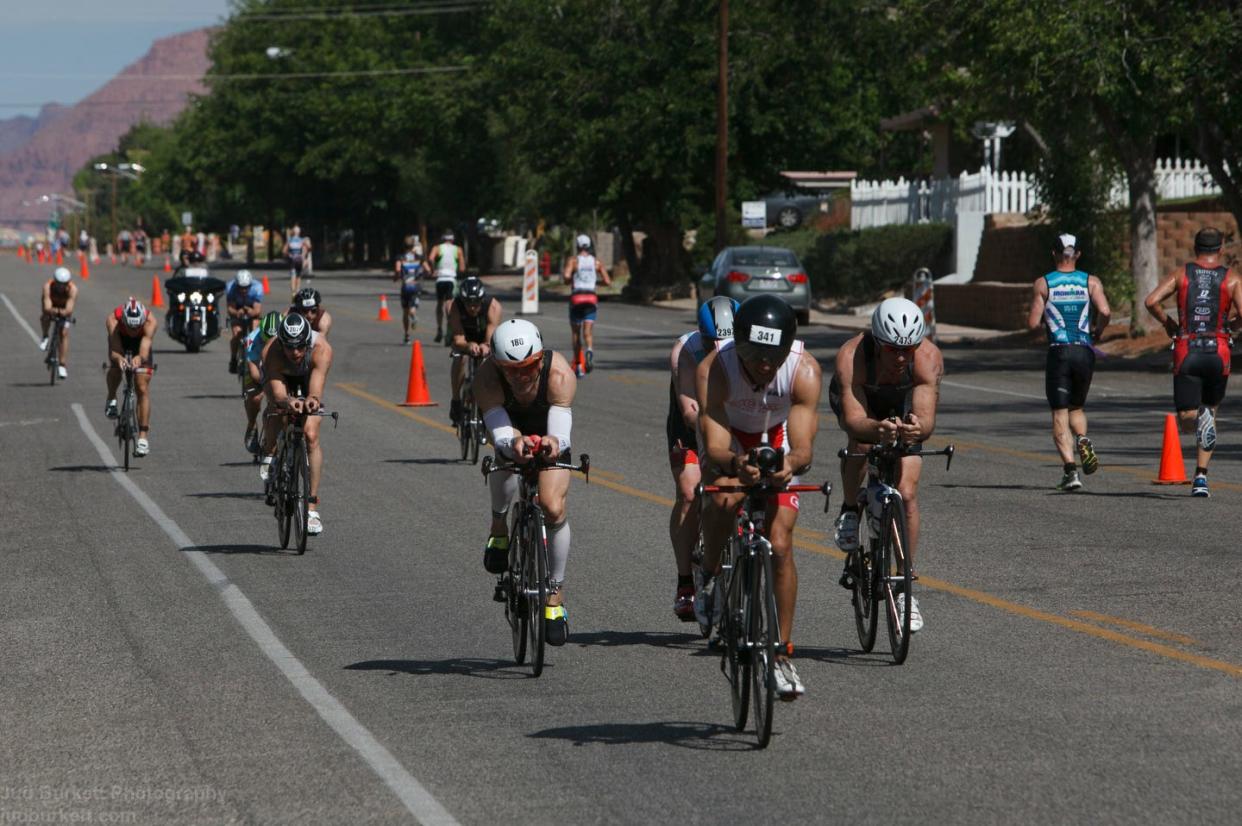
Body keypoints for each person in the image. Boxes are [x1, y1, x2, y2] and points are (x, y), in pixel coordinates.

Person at [697, 295, 822, 698]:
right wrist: (736, 465)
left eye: (774, 357)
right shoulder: (716, 367)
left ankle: (783, 654)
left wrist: (790, 466)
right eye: (754, 355)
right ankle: (711, 575)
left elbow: (803, 448)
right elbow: (714, 442)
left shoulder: (803, 370)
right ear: (739, 345)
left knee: (781, 545)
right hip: (731, 438)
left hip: (778, 438)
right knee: (723, 499)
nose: (765, 365)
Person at [830, 297, 944, 632]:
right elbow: (854, 419)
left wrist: (915, 430)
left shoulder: (927, 358)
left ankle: (906, 588)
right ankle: (850, 509)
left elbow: (926, 420)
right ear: (878, 343)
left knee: (906, 493)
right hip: (864, 399)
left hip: (904, 400)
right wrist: (876, 429)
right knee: (862, 444)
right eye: (892, 349)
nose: (900, 357)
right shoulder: (852, 357)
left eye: (907, 349)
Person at [474, 319, 578, 645]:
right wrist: (513, 443)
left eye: (529, 367)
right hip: (511, 426)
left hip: (548, 427)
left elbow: (560, 432)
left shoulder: (559, 375)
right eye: (511, 369)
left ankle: (555, 598)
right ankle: (498, 528)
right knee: (504, 460)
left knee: (552, 506)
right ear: (497, 364)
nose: (521, 376)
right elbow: (501, 431)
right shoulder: (486, 377)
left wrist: (551, 443)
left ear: (541, 359)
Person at [1143, 226, 1242, 497]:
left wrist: (1168, 322)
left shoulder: (1182, 273)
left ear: (1195, 248)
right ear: (1221, 249)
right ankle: (1201, 477)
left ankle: (1197, 420)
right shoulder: (1231, 278)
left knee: (1187, 416)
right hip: (1218, 350)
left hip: (1187, 349)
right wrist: (1232, 324)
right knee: (1210, 409)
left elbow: (1151, 300)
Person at [668, 296, 737, 622]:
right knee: (689, 492)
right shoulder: (688, 350)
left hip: (732, 418)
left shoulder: (746, 346)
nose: (718, 349)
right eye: (712, 342)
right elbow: (689, 409)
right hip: (692, 422)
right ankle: (685, 583)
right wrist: (714, 436)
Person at [1027, 233, 1111, 491]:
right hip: (1085, 351)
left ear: (1054, 253)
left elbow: (1032, 323)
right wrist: (1098, 331)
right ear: (1078, 255)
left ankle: (1070, 471)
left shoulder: (1044, 283)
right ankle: (1083, 438)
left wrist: (1045, 330)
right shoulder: (1091, 281)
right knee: (1076, 407)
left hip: (1059, 351)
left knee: (1059, 412)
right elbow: (1106, 312)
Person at [259, 313, 334, 535]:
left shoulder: (322, 349)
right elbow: (279, 393)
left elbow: (315, 391)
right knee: (276, 410)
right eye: (290, 347)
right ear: (281, 343)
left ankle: (311, 509)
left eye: (300, 347)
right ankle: (270, 455)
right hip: (281, 377)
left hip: (307, 376)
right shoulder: (271, 351)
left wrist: (311, 401)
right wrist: (288, 402)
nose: (295, 353)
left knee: (311, 435)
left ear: (307, 343)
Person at [105, 298, 159, 456]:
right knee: (115, 367)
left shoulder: (150, 321)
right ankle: (111, 398)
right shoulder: (113, 320)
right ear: (124, 321)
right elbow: (115, 349)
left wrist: (139, 359)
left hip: (140, 345)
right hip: (120, 341)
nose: (133, 330)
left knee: (142, 386)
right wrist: (120, 359)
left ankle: (143, 438)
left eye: (137, 327)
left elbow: (144, 348)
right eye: (130, 327)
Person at [448, 276, 503, 425]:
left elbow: (491, 336)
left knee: (490, 362)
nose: (472, 307)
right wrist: (468, 345)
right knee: (460, 357)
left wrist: (485, 345)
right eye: (468, 303)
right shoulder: (454, 306)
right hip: (464, 337)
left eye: (476, 303)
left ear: (482, 299)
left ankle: (488, 404)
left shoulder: (493, 307)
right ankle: (456, 401)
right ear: (462, 300)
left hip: (484, 335)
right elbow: (459, 339)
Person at [561, 234, 612, 376]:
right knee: (588, 332)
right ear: (589, 246)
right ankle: (589, 349)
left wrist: (571, 280)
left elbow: (565, 277)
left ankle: (578, 365)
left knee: (576, 333)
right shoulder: (596, 262)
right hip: (591, 298)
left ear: (577, 246)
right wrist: (595, 282)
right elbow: (608, 282)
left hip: (577, 298)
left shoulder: (573, 260)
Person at [241, 310, 283, 454]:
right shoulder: (252, 340)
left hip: (278, 366)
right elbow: (254, 373)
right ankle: (252, 424)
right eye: (267, 340)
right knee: (255, 397)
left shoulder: (287, 336)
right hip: (258, 367)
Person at [39, 267, 78, 378]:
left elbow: (69, 308)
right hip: (51, 306)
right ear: (54, 281)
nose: (61, 287)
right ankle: (45, 336)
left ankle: (62, 365)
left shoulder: (73, 289)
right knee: (45, 317)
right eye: (58, 284)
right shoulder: (47, 286)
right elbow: (47, 306)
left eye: (64, 284)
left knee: (64, 333)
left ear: (68, 282)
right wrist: (53, 311)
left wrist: (63, 312)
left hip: (65, 309)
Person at [428, 229, 465, 344]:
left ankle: (439, 328)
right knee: (449, 305)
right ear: (452, 239)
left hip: (440, 279)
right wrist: (457, 269)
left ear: (443, 239)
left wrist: (433, 270)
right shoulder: (458, 249)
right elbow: (463, 268)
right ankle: (449, 332)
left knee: (439, 304)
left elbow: (430, 258)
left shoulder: (437, 248)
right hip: (451, 279)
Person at [225, 269, 264, 374]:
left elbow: (257, 310)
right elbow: (230, 308)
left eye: (246, 288)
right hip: (237, 309)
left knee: (255, 331)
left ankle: (257, 358)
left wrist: (249, 311)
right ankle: (233, 359)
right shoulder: (231, 288)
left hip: (251, 309)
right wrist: (237, 312)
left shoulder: (257, 287)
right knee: (237, 333)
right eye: (241, 288)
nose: (243, 290)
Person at [393, 245, 423, 344]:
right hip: (415, 286)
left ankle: (407, 335)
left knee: (405, 312)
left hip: (405, 287)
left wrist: (396, 278)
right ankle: (413, 316)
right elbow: (426, 268)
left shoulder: (400, 257)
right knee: (412, 307)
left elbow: (397, 270)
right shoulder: (418, 257)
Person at [283, 225, 311, 295]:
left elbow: (284, 251)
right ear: (299, 232)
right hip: (299, 260)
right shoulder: (301, 240)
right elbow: (309, 247)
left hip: (292, 260)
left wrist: (288, 255)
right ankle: (298, 290)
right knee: (298, 275)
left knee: (293, 275)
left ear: (293, 232)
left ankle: (293, 291)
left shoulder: (289, 240)